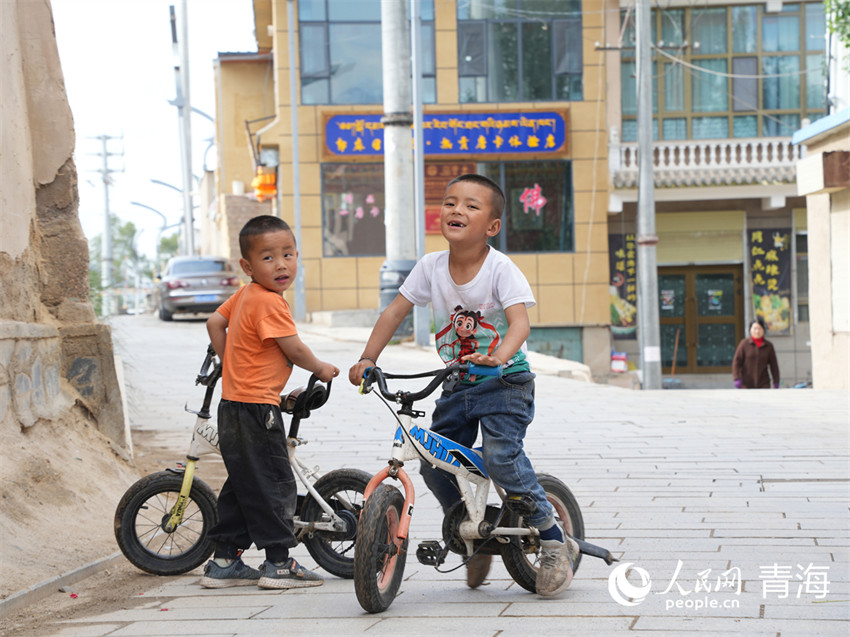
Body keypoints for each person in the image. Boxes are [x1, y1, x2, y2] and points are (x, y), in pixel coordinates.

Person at [348, 173, 579, 597]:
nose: (457, 210)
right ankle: (472, 527)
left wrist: (499, 355)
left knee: (500, 457)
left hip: (505, 382)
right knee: (433, 461)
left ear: (492, 226)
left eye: (472, 206)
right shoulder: (430, 266)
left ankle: (551, 538)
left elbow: (520, 323)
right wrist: (368, 358)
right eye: (450, 202)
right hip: (458, 385)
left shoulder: (500, 269)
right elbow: (394, 312)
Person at [201, 215, 339, 589]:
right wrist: (321, 368)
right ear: (247, 266)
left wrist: (229, 364)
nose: (281, 265)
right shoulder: (270, 303)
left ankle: (224, 562)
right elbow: (294, 349)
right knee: (274, 484)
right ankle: (278, 563)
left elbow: (214, 324)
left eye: (288, 254)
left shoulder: (244, 295)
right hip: (257, 410)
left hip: (232, 405)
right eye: (268, 258)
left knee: (244, 484)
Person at [732, 317, 780, 389]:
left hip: (763, 384)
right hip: (746, 384)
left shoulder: (769, 346)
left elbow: (774, 365)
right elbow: (736, 362)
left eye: (760, 328)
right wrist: (736, 378)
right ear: (750, 330)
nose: (757, 331)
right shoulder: (744, 344)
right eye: (755, 328)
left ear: (763, 330)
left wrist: (776, 381)